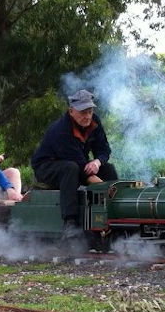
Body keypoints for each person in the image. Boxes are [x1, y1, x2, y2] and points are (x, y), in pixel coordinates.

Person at [30, 89, 117, 235]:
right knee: (70, 168)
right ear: (71, 111)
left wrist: (97, 161)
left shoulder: (95, 122)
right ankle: (70, 222)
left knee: (108, 168)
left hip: (78, 162)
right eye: (83, 112)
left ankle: (114, 211)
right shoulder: (61, 130)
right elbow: (82, 169)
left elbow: (104, 150)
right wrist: (106, 190)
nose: (87, 116)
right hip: (46, 167)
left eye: (89, 111)